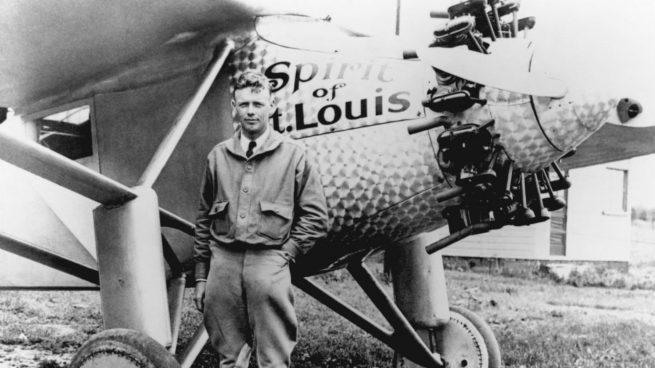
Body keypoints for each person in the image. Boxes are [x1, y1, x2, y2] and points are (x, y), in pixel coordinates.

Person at [193, 71, 329, 368]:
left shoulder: (295, 155)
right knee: (229, 358)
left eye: (258, 103)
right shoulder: (218, 157)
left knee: (273, 359)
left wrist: (287, 253)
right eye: (244, 104)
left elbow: (317, 217)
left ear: (272, 106)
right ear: (235, 107)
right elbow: (204, 218)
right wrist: (202, 276)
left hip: (269, 262)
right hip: (223, 265)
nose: (251, 111)